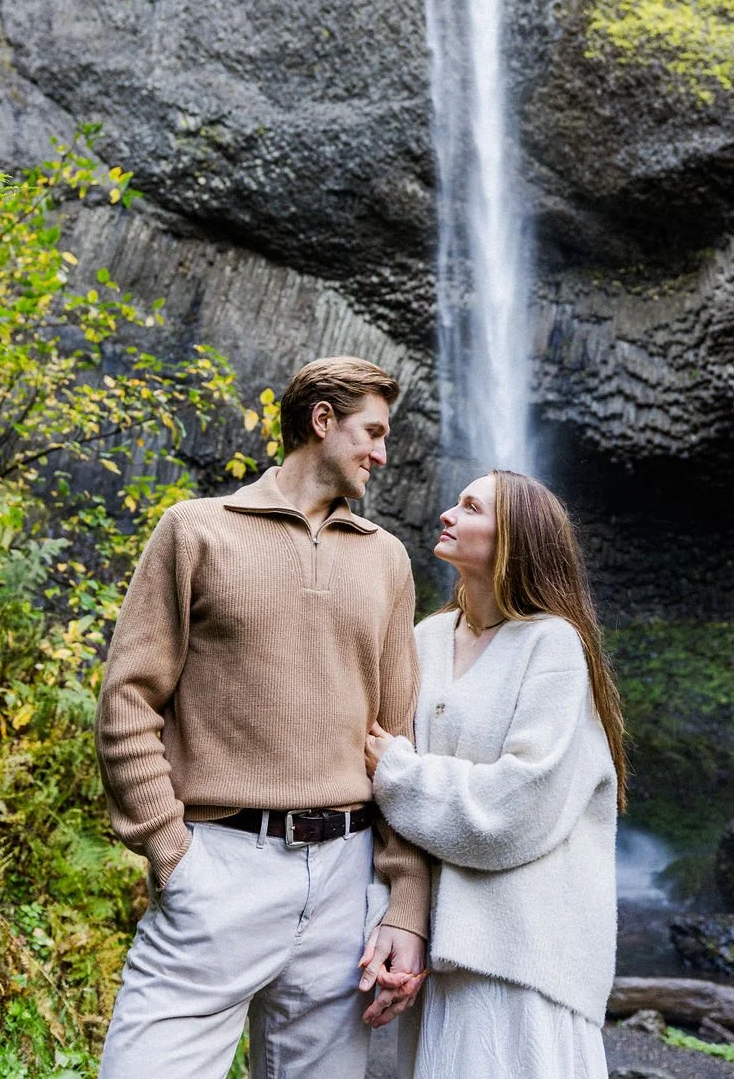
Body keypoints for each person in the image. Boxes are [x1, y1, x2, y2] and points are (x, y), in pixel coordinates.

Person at [95, 356, 429, 1079]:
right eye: (373, 432)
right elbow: (128, 700)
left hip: (345, 883)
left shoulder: (387, 559)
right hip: (219, 868)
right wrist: (170, 851)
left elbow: (399, 743)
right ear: (322, 421)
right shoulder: (195, 531)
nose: (382, 453)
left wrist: (404, 901)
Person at [365, 468, 626, 1079]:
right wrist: (395, 912)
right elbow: (384, 808)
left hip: (521, 958)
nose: (447, 515)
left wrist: (400, 774)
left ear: (515, 538)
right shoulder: (426, 639)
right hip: (440, 953)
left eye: (470, 507)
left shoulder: (553, 646)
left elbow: (517, 809)